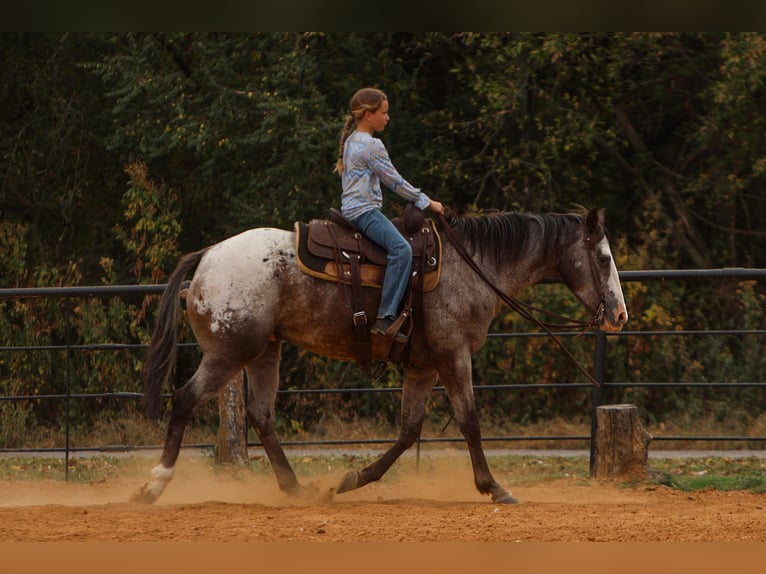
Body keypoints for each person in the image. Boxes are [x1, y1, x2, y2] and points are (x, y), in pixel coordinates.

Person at [334, 87, 445, 340]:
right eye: (384, 113)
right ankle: (385, 319)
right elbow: (395, 182)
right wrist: (429, 203)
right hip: (364, 212)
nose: (388, 118)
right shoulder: (372, 146)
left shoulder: (352, 140)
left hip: (351, 209)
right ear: (368, 115)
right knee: (401, 250)